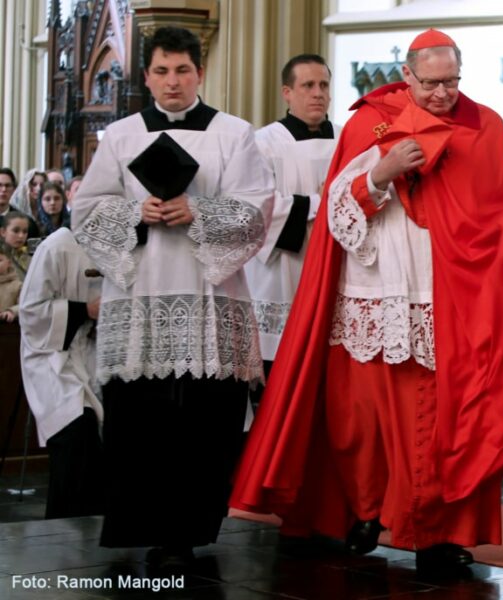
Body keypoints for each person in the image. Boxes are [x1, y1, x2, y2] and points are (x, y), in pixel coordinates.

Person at [231, 28, 503, 572]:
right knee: (359, 423)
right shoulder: (370, 123)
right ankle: (363, 512)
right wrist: (380, 174)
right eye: (431, 83)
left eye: (452, 81)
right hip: (373, 291)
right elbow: (336, 217)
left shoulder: (484, 125)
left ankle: (437, 535)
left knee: (440, 425)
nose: (443, 93)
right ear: (408, 76)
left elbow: (499, 209)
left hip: (446, 294)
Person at [72, 26, 273, 567]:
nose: (173, 82)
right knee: (141, 424)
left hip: (209, 300)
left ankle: (188, 532)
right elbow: (86, 211)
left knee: (203, 427)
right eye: (161, 71)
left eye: (183, 70)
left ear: (200, 73)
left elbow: (256, 211)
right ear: (146, 76)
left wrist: (197, 212)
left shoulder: (233, 133)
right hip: (141, 298)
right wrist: (135, 214)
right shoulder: (121, 135)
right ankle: (144, 527)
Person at [246, 54, 339, 377]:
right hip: (284, 268)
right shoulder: (263, 142)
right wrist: (320, 203)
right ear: (287, 92)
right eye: (308, 85)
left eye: (324, 85)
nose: (318, 93)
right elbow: (257, 207)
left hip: (337, 263)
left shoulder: (347, 138)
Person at [19, 187, 103, 519]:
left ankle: (96, 524)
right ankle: (63, 525)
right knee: (77, 430)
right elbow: (31, 311)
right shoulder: (57, 246)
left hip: (93, 353)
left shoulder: (114, 250)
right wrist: (85, 310)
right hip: (52, 356)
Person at [0, 212, 32, 279]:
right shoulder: (2, 258)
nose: (21, 236)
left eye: (25, 232)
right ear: (3, 232)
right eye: (16, 231)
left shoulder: (28, 255)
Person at [0, 253, 21, 322]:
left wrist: (12, 311)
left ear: (9, 263)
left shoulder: (17, 285)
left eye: (0, 260)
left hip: (8, 324)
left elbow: (24, 305)